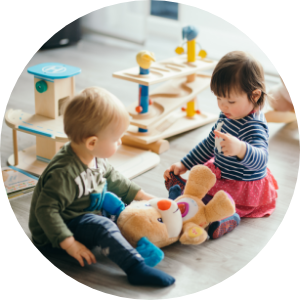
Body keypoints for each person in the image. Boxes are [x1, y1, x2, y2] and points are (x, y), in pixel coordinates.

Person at [29, 87, 175, 287]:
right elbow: (45, 211)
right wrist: (69, 243)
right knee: (103, 225)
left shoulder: (93, 156)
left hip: (84, 211)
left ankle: (139, 242)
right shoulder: (63, 173)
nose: (120, 141)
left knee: (122, 213)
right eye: (116, 139)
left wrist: (146, 197)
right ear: (92, 142)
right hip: (55, 232)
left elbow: (114, 178)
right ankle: (135, 267)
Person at [164, 51, 278, 239]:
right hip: (222, 173)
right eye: (219, 98)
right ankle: (185, 195)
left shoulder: (254, 126)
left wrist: (241, 149)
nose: (223, 106)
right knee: (200, 182)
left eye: (230, 101)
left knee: (222, 204)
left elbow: (261, 160)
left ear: (255, 95)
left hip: (242, 186)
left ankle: (226, 220)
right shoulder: (228, 114)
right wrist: (184, 164)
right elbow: (210, 143)